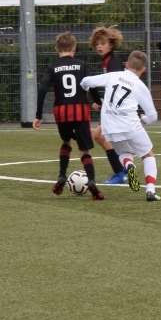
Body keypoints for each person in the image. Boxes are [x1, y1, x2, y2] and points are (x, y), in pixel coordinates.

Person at [80, 49, 161, 201]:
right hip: (130, 125)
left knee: (123, 152)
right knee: (147, 154)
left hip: (109, 126)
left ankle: (129, 165)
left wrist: (84, 88)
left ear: (126, 64)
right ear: (144, 69)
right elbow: (153, 117)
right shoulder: (140, 86)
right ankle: (150, 191)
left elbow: (87, 81)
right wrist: (143, 118)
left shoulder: (114, 75)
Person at [33, 31, 105, 200]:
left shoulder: (53, 67)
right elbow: (91, 84)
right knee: (84, 149)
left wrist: (38, 114)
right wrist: (97, 101)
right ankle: (92, 180)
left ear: (56, 48)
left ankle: (61, 176)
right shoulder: (81, 65)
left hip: (62, 112)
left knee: (66, 142)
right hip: (80, 110)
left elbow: (43, 89)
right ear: (74, 48)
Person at [88, 26, 129, 184]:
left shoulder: (113, 62)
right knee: (100, 136)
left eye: (103, 43)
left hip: (117, 109)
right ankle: (122, 170)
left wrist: (103, 103)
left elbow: (116, 87)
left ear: (111, 44)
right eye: (97, 43)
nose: (99, 46)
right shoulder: (108, 61)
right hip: (114, 108)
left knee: (100, 136)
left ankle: (120, 172)